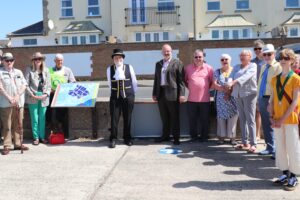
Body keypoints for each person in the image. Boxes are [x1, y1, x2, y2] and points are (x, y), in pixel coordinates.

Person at [269, 48, 300, 191]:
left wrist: (282, 119)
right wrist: (271, 113)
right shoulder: (275, 79)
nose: (283, 60)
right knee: (280, 147)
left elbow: (294, 102)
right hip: (277, 118)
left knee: (292, 147)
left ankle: (293, 175)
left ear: (292, 60)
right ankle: (284, 173)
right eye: (281, 57)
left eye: (286, 58)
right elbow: (273, 98)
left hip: (290, 119)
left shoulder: (296, 79)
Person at [152, 44, 185, 145]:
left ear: (171, 52)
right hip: (161, 93)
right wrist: (154, 93)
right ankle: (165, 136)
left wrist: (182, 94)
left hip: (173, 94)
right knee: (164, 117)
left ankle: (176, 138)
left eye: (168, 51)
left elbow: (181, 81)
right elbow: (156, 79)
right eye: (165, 51)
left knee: (175, 117)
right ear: (162, 52)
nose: (166, 53)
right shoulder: (158, 64)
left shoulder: (178, 63)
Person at [107, 49, 137, 148]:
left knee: (127, 118)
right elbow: (109, 84)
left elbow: (134, 82)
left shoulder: (129, 67)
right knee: (114, 119)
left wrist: (132, 94)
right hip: (115, 97)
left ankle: (127, 138)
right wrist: (115, 93)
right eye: (116, 57)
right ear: (113, 59)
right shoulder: (109, 69)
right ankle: (113, 138)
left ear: (123, 58)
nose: (118, 59)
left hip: (128, 97)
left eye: (120, 57)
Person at [228, 50, 257, 153]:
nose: (242, 57)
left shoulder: (253, 66)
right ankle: (245, 142)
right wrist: (229, 81)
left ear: (250, 56)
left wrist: (234, 82)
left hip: (249, 94)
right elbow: (231, 75)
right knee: (242, 118)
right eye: (241, 55)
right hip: (238, 94)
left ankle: (253, 144)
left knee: (250, 119)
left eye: (244, 55)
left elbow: (246, 77)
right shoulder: (236, 66)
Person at [0, 52, 29, 155]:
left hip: (18, 103)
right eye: (6, 60)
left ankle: (17, 144)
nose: (9, 62)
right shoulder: (0, 72)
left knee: (18, 124)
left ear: (13, 61)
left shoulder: (18, 72)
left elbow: (24, 85)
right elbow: (0, 87)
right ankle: (7, 145)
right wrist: (9, 98)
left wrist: (17, 96)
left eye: (11, 60)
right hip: (5, 103)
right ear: (2, 61)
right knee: (7, 125)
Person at [257, 44, 282, 156]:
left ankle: (277, 150)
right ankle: (270, 147)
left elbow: (278, 86)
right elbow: (259, 84)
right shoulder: (263, 66)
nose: (266, 56)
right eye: (265, 54)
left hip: (272, 99)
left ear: (274, 54)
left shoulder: (278, 67)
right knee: (266, 124)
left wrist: (272, 101)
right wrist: (258, 99)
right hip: (263, 98)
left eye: (269, 54)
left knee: (275, 124)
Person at [184, 49, 213, 142]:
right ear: (193, 58)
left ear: (203, 57)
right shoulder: (188, 68)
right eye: (196, 57)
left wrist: (205, 89)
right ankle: (193, 137)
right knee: (192, 120)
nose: (198, 58)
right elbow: (184, 81)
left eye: (200, 57)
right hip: (191, 99)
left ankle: (204, 137)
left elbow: (213, 82)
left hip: (205, 100)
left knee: (205, 120)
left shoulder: (209, 68)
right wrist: (192, 88)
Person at [25, 52, 51, 145]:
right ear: (33, 60)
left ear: (42, 60)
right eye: (35, 59)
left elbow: (49, 85)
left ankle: (42, 137)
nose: (37, 61)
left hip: (44, 97)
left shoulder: (46, 70)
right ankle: (36, 137)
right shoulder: (29, 70)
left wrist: (46, 94)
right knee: (34, 118)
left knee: (42, 118)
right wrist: (32, 94)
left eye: (39, 59)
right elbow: (26, 85)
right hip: (33, 96)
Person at [47, 53, 76, 137]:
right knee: (53, 116)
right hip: (52, 96)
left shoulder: (68, 70)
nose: (59, 62)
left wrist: (66, 89)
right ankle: (54, 134)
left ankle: (64, 134)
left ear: (63, 61)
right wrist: (50, 90)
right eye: (58, 60)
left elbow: (73, 82)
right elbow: (46, 83)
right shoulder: (49, 70)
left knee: (63, 116)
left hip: (64, 96)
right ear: (54, 61)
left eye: (61, 60)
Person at [213, 54, 238, 145]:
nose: (224, 61)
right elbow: (215, 85)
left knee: (233, 117)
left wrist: (228, 93)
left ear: (230, 60)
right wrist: (225, 90)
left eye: (226, 59)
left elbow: (236, 84)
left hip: (233, 98)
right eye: (222, 59)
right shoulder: (217, 71)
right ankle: (221, 137)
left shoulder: (234, 70)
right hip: (221, 99)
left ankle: (232, 138)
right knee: (221, 117)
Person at [251, 39, 265, 141]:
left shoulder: (267, 60)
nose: (257, 50)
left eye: (259, 48)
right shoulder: (252, 62)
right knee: (257, 112)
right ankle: (258, 134)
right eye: (255, 48)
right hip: (255, 90)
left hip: (266, 90)